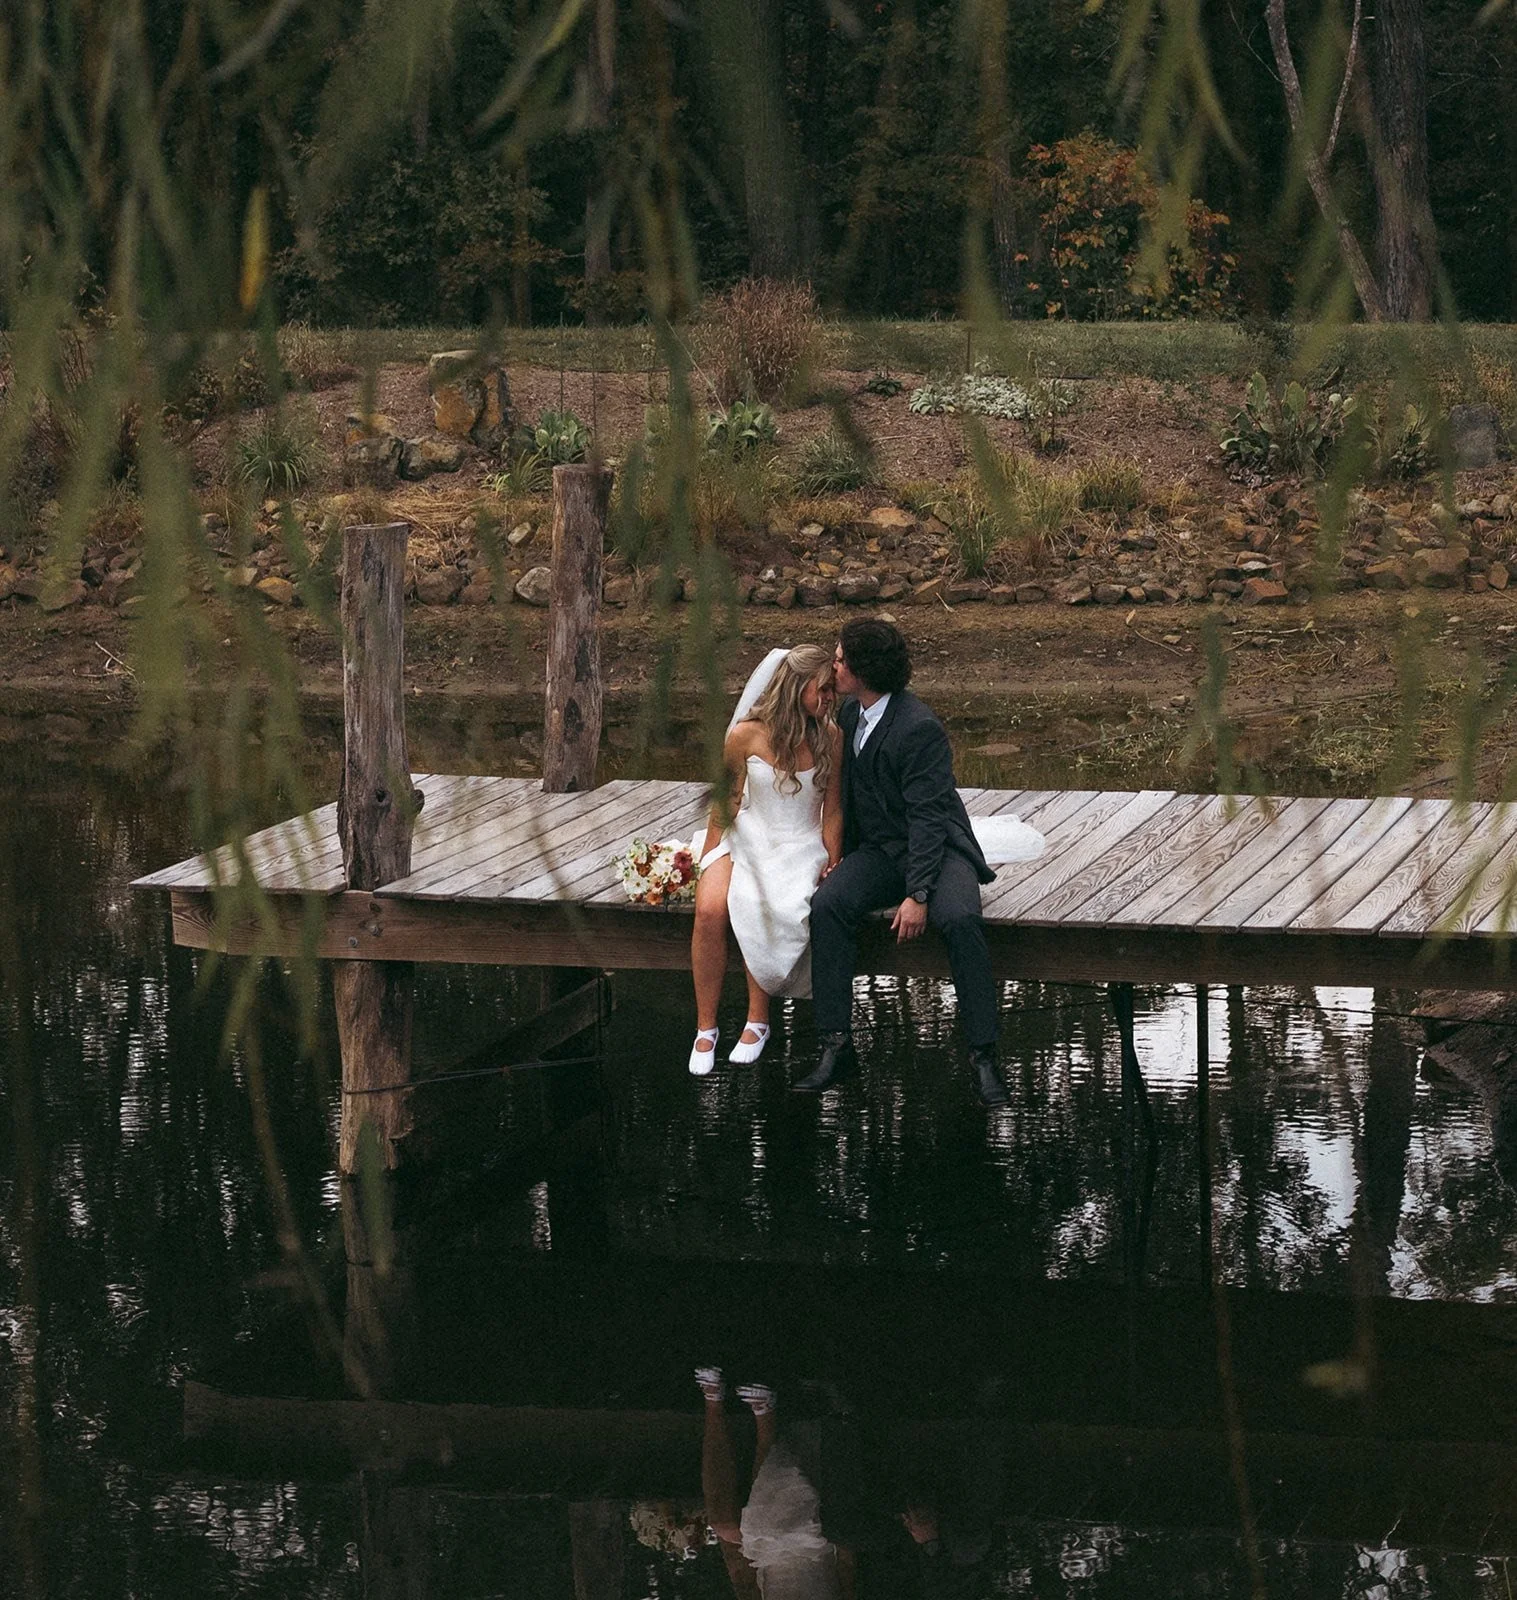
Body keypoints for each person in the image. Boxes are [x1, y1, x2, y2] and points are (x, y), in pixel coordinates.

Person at [799, 620, 1041, 1108]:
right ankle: (836, 1045)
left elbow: (930, 818)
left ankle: (983, 1055)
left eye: (842, 658)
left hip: (938, 850)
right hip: (880, 852)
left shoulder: (918, 727)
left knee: (961, 919)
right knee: (828, 904)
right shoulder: (848, 715)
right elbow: (842, 794)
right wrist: (837, 859)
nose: (835, 665)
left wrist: (919, 894)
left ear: (865, 670)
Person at [688, 645, 844, 1076]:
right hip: (747, 833)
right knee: (708, 908)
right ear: (798, 686)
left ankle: (758, 1020)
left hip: (800, 841)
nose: (832, 697)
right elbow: (728, 800)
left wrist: (834, 860)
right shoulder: (745, 735)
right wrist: (709, 859)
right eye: (825, 688)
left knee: (767, 902)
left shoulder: (831, 736)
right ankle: (706, 1028)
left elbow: (832, 810)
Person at [695, 1367, 856, 1600]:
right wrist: (841, 1533)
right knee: (772, 1525)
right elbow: (848, 1577)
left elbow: (745, 1586)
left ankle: (713, 1403)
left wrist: (734, 1542)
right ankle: (766, 1422)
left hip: (767, 1557)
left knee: (724, 1523)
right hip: (816, 1548)